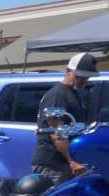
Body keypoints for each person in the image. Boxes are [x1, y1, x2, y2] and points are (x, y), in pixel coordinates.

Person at [31, 52, 99, 184]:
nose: (84, 80)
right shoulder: (57, 96)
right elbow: (57, 134)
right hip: (54, 165)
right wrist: (72, 161)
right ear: (68, 71)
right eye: (80, 76)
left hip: (68, 162)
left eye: (87, 77)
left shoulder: (75, 93)